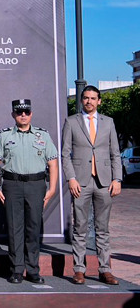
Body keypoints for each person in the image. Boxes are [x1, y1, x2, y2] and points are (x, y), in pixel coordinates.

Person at [0, 99, 59, 284]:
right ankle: (17, 270)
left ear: (31, 114)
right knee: (14, 229)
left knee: (33, 228)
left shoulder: (42, 135)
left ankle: (33, 270)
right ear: (13, 114)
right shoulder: (5, 135)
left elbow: (53, 163)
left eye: (26, 112)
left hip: (36, 185)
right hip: (12, 185)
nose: (23, 115)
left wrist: (52, 188)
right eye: (19, 112)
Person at [61, 85, 121, 285]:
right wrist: (71, 178)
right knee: (80, 227)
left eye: (93, 98)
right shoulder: (71, 122)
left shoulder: (108, 122)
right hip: (81, 182)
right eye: (85, 98)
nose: (89, 101)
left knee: (102, 229)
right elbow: (65, 153)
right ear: (81, 100)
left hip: (105, 182)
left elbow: (115, 153)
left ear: (99, 101)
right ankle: (79, 269)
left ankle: (105, 269)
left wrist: (117, 179)